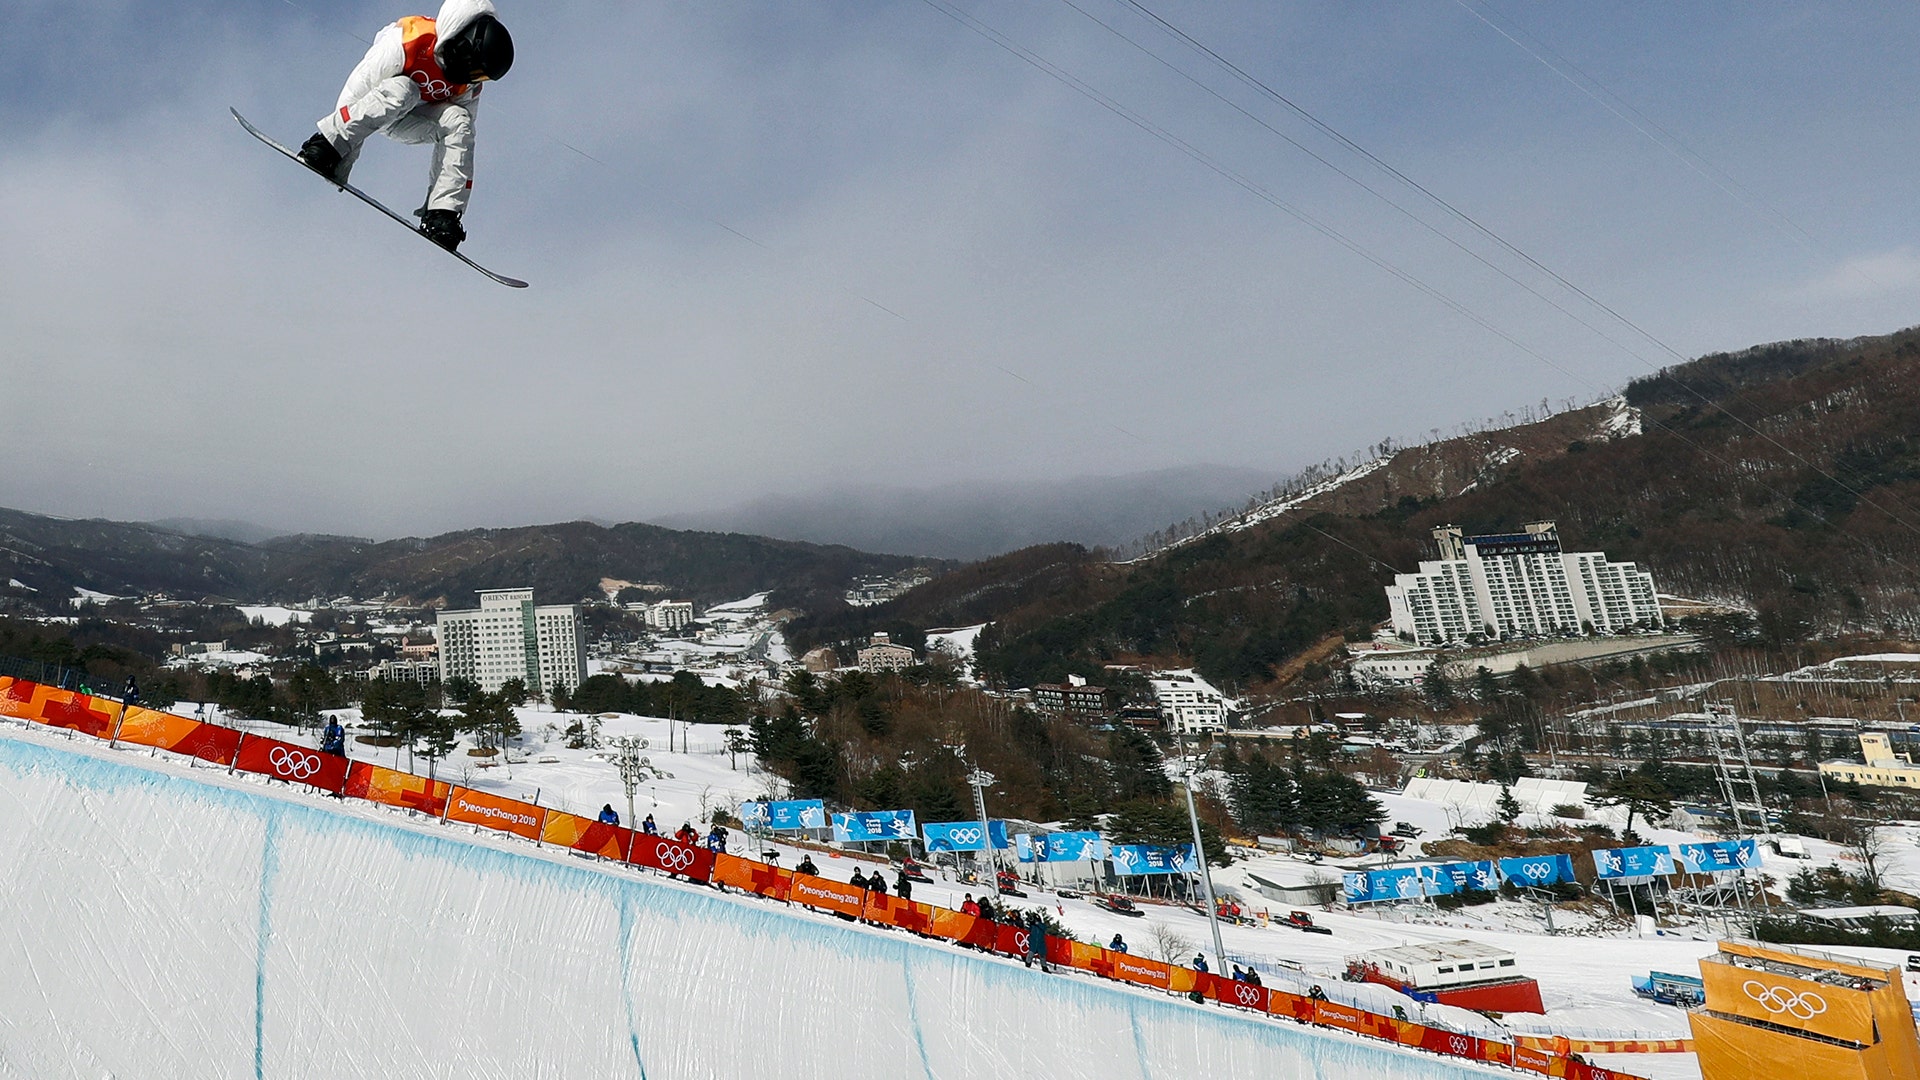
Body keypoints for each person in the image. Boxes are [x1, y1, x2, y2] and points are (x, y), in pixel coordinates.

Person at [293, 0, 515, 253]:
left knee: (459, 119)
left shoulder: (469, 85)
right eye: (474, 69)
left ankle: (441, 212)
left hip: (413, 121)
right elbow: (358, 89)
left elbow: (461, 141)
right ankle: (328, 142)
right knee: (404, 90)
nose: (473, 77)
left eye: (481, 76)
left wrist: (447, 214)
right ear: (460, 41)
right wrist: (339, 157)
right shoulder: (409, 40)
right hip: (381, 103)